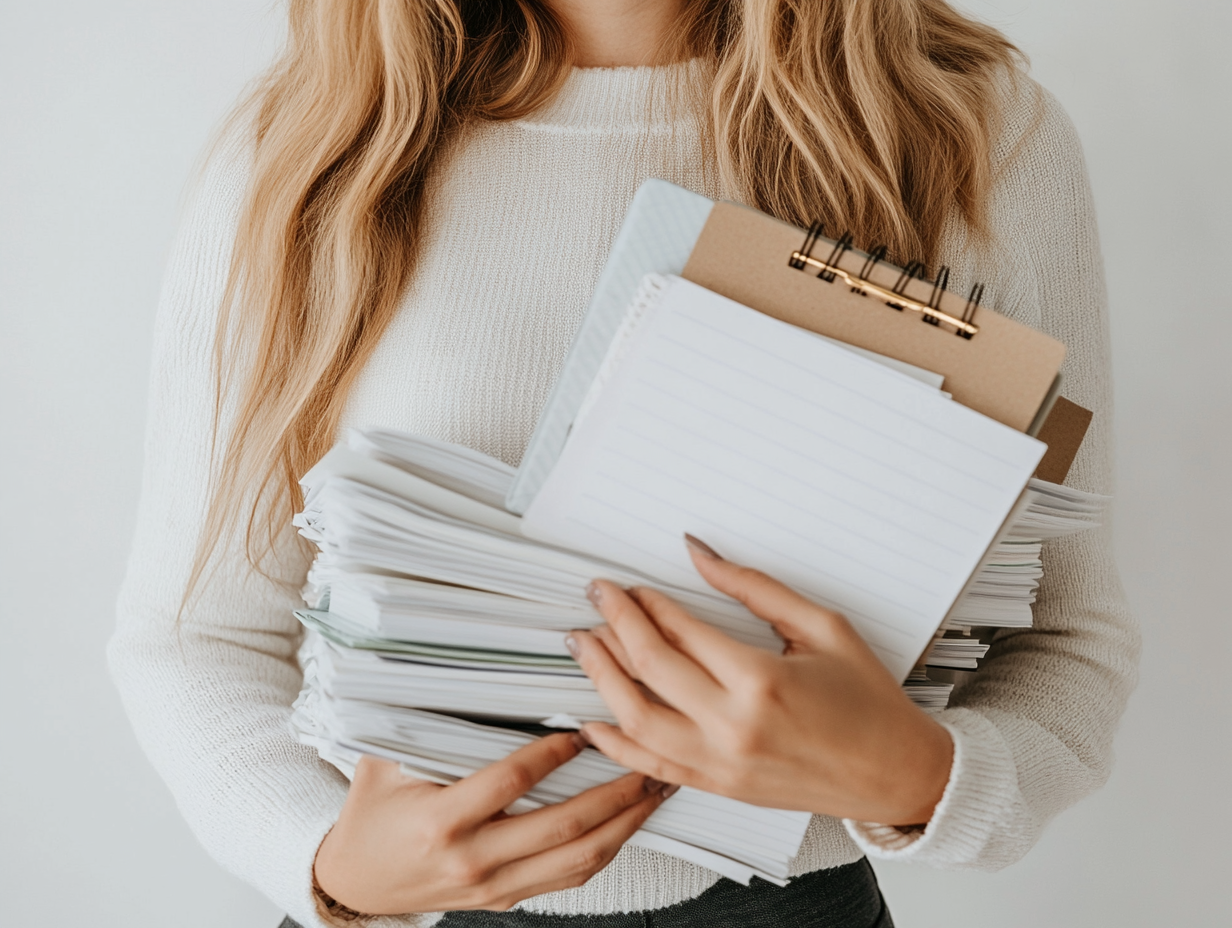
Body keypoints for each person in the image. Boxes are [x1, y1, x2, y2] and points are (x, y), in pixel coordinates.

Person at [108, 1, 1138, 926]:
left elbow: (1069, 641)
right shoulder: (304, 150)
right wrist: (329, 864)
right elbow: (193, 634)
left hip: (784, 909)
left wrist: (917, 776)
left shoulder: (979, 133)